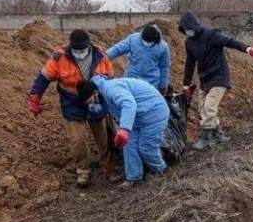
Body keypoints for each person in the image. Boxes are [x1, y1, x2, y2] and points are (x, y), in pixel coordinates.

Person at [27, 29, 115, 187]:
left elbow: (110, 77)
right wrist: (35, 97)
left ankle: (108, 168)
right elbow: (43, 78)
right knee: (78, 139)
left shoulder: (101, 55)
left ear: (89, 46)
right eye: (77, 50)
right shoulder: (60, 57)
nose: (80, 53)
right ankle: (83, 171)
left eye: (83, 50)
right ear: (71, 47)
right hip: (72, 101)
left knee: (103, 137)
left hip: (95, 99)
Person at [179, 12, 253, 149]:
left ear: (195, 26)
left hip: (219, 76)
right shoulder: (189, 43)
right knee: (202, 109)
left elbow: (230, 42)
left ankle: (206, 137)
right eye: (185, 29)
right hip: (204, 78)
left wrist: (247, 48)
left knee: (209, 107)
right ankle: (218, 135)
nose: (188, 31)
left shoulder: (210, 35)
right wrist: (186, 85)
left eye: (189, 28)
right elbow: (189, 64)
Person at [77, 75, 170, 187]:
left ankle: (162, 172)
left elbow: (129, 104)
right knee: (129, 146)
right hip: (137, 117)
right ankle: (134, 178)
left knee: (146, 147)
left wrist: (124, 129)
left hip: (154, 112)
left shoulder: (110, 89)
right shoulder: (103, 95)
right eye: (89, 104)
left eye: (91, 101)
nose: (92, 105)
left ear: (95, 92)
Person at [106, 23, 171, 95]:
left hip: (151, 84)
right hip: (132, 80)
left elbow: (164, 67)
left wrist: (163, 85)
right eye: (146, 42)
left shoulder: (163, 47)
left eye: (150, 43)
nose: (147, 44)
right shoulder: (133, 39)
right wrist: (104, 56)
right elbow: (117, 49)